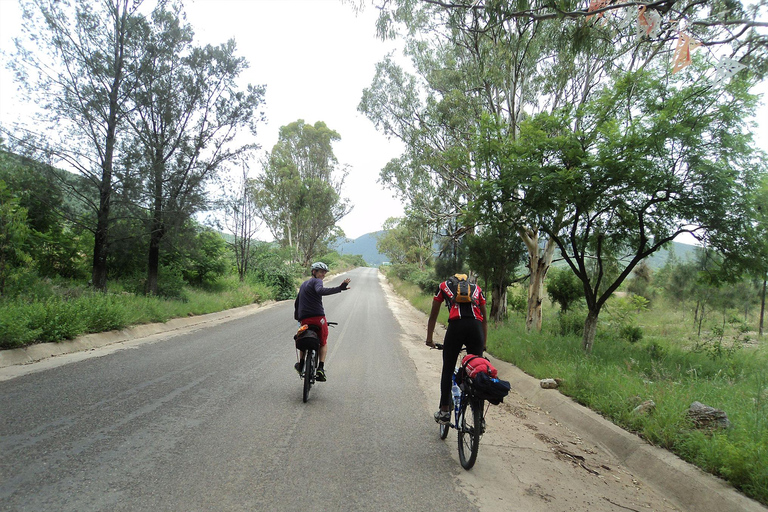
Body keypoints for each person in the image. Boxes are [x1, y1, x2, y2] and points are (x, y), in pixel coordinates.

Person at [425, 273, 488, 424]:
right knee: (477, 370)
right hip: (476, 329)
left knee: (448, 368)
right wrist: (483, 343)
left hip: (456, 327)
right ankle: (479, 416)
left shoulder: (443, 286)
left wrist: (429, 339)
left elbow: (433, 316)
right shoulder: (477, 289)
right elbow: (485, 319)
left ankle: (444, 411)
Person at [293, 261, 351, 381]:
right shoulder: (317, 281)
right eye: (321, 272)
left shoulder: (303, 285)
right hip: (318, 318)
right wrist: (339, 288)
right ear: (314, 272)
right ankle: (320, 368)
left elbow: (297, 303)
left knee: (303, 337)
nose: (323, 275)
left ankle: (302, 364)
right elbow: (320, 291)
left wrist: (299, 318)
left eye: (325, 273)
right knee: (323, 342)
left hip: (304, 319)